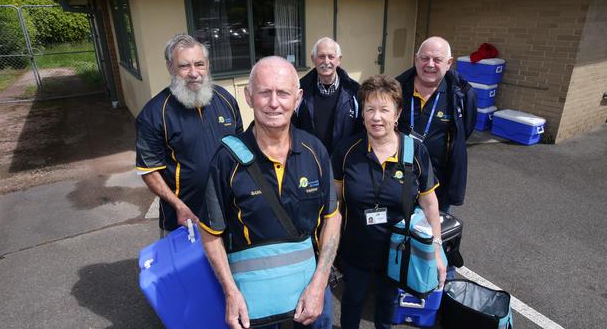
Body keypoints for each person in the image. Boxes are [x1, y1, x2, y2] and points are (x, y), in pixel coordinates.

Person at [199, 56, 341, 329]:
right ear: (249, 96)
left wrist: (320, 282)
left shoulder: (315, 151)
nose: (274, 103)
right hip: (255, 307)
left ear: (297, 98)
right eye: (265, 92)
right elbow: (210, 233)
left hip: (310, 298)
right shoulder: (226, 159)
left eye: (283, 93)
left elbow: (332, 218)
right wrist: (230, 292)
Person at [331, 75, 445, 329]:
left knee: (388, 305)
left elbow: (430, 203)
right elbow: (334, 201)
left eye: (384, 109)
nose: (376, 117)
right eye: (369, 109)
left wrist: (436, 248)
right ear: (362, 114)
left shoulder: (414, 151)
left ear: (398, 113)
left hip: (398, 250)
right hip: (355, 249)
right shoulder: (347, 150)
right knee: (352, 302)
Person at [135, 34, 243, 235]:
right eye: (184, 66)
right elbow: (149, 170)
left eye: (199, 64)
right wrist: (178, 205)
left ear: (208, 64)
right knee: (188, 267)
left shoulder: (226, 99)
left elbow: (240, 149)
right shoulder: (153, 113)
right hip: (185, 219)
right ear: (170, 67)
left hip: (230, 212)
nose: (194, 73)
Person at [395, 36, 477, 214]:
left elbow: (464, 132)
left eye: (437, 59)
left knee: (431, 237)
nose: (430, 64)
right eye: (424, 58)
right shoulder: (396, 89)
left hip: (438, 185)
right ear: (416, 60)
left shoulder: (462, 94)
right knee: (396, 235)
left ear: (449, 63)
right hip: (397, 180)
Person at [293, 37, 362, 154]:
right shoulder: (300, 90)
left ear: (338, 60)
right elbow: (292, 128)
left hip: (343, 161)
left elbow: (360, 130)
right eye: (321, 56)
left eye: (331, 56)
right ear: (313, 59)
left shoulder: (354, 92)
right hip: (310, 159)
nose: (326, 61)